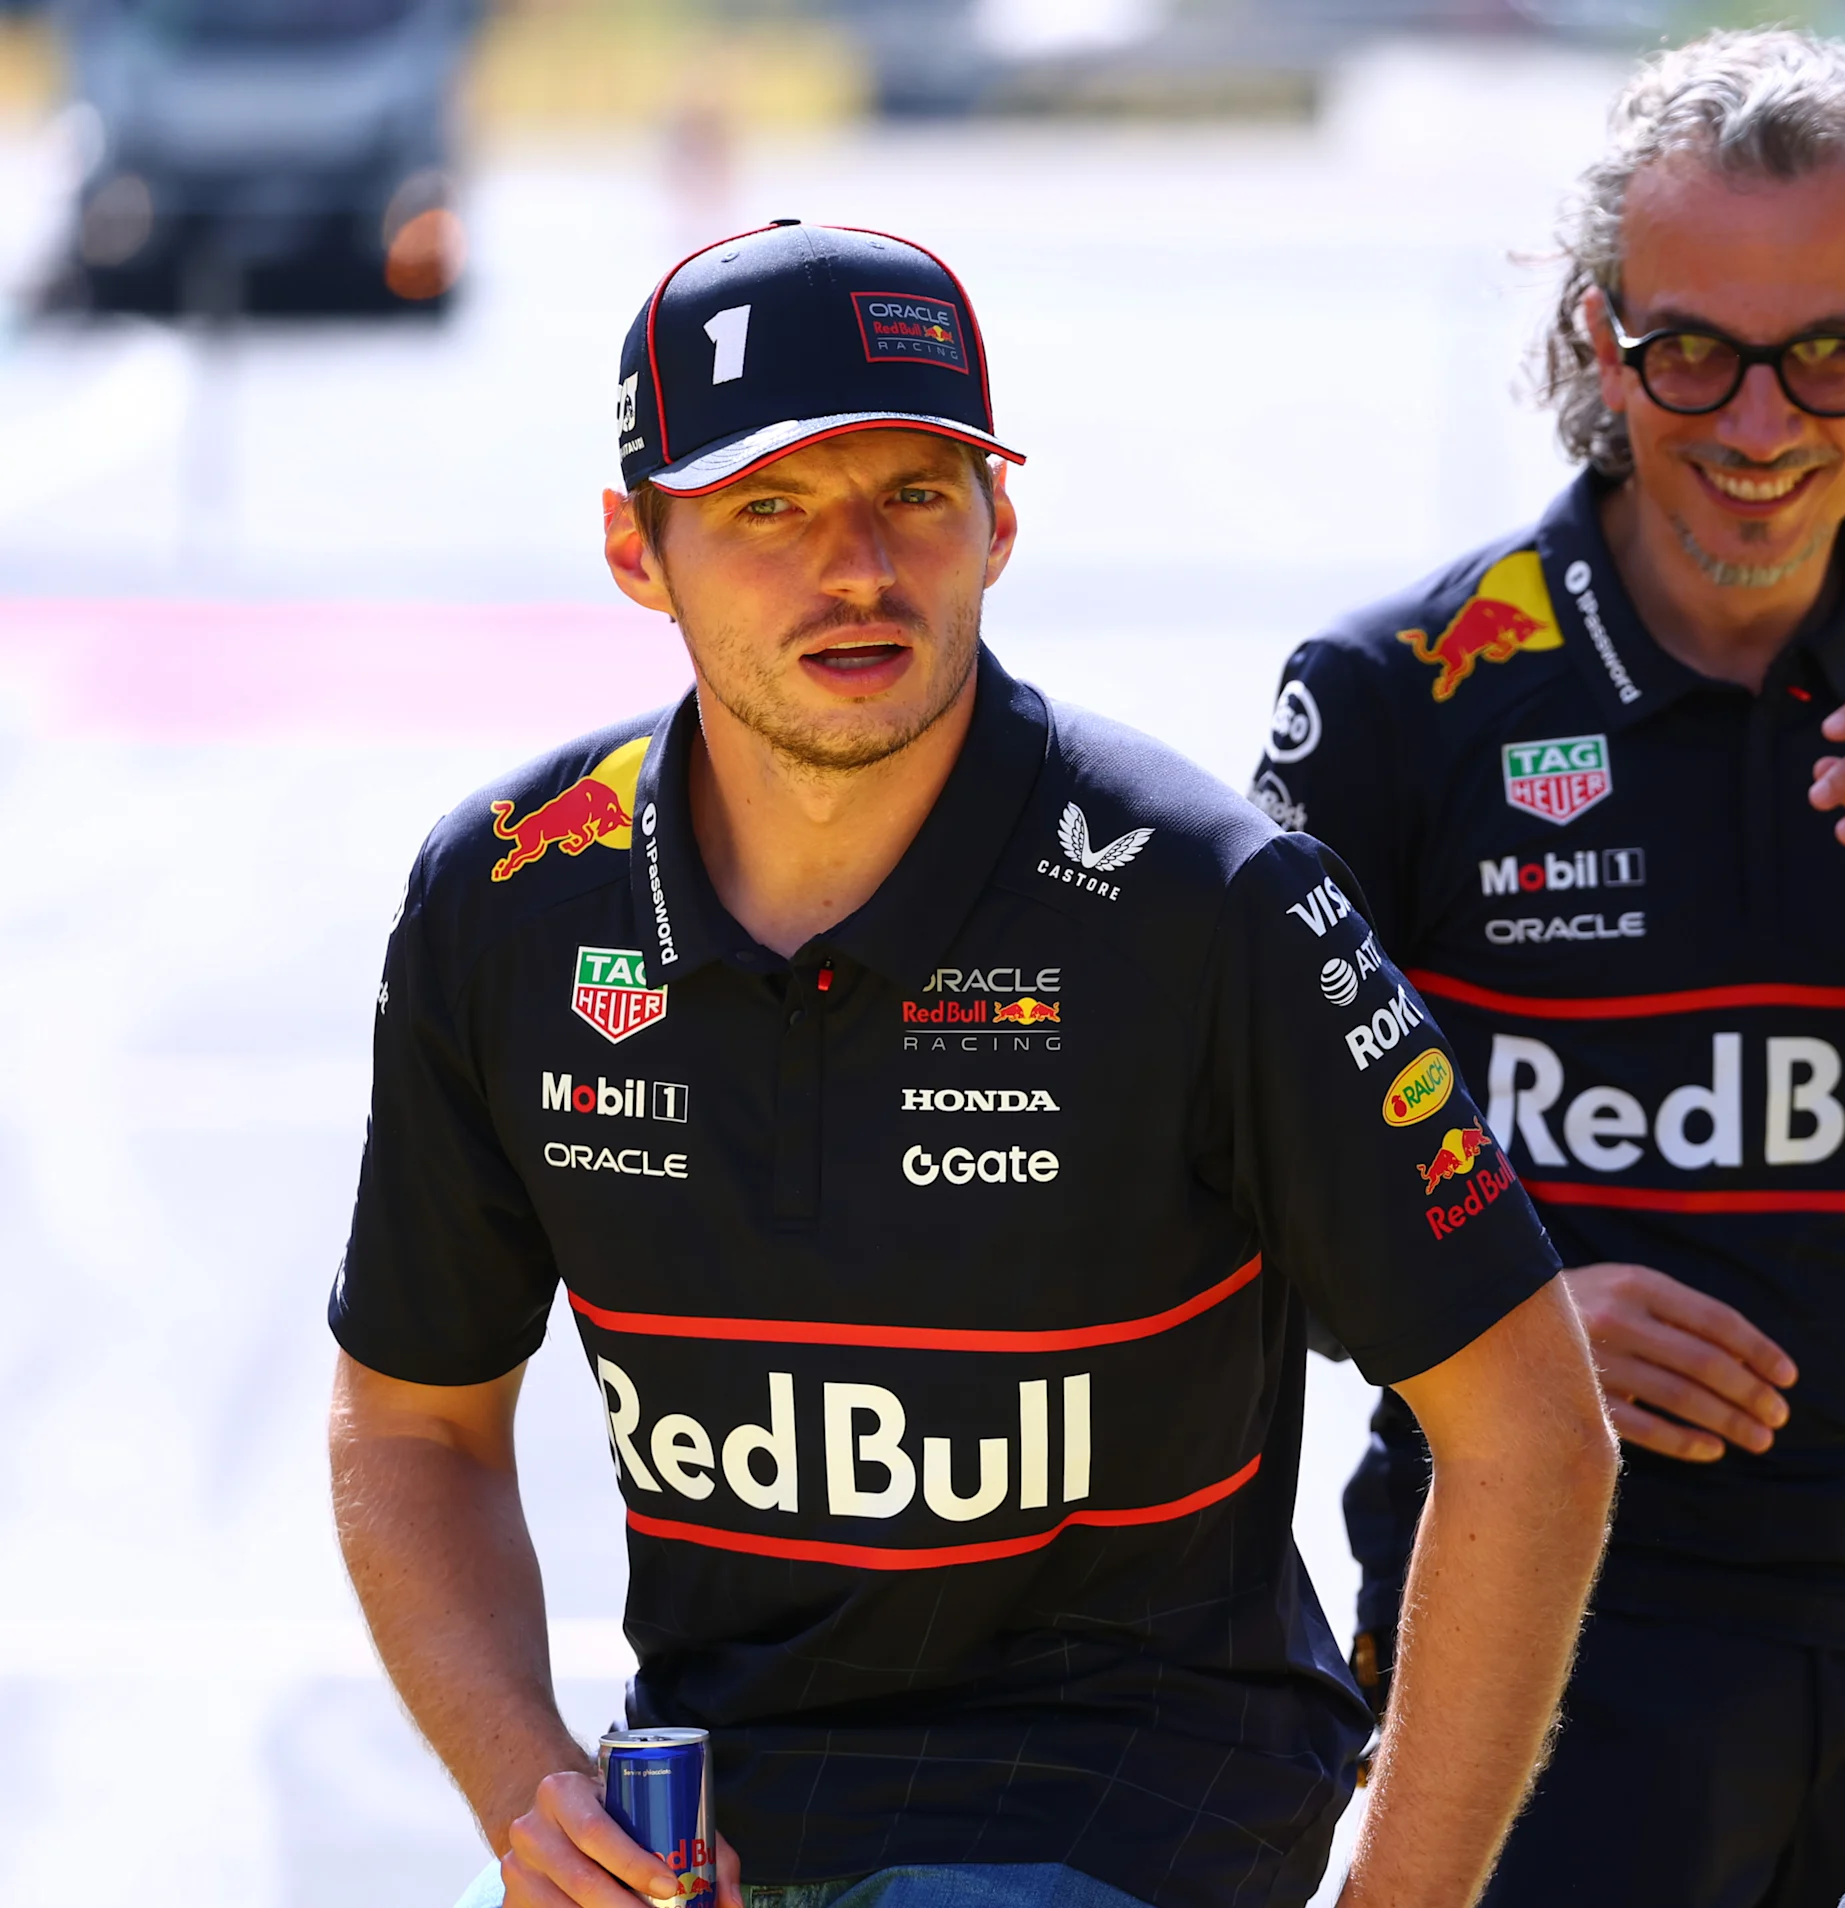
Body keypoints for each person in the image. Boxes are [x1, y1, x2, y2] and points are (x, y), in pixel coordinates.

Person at [325, 220, 1617, 1908]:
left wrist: (1400, 1896)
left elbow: (1530, 1429)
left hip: (1135, 1800)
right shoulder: (503, 898)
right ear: (640, 552)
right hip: (722, 1821)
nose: (855, 567)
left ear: (1000, 522)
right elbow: (411, 1426)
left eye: (915, 495)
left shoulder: (1207, 899)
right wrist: (534, 1791)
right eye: (766, 509)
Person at [1246, 32, 1845, 1908]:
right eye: (1692, 353)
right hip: (1525, 1603)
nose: (1759, 425)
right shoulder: (1397, 698)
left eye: (1829, 352)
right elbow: (1229, 1191)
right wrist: (1499, 1329)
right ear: (1598, 340)